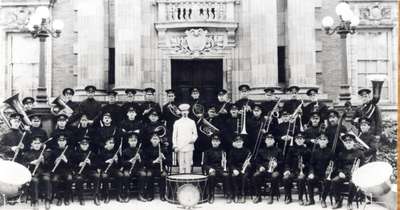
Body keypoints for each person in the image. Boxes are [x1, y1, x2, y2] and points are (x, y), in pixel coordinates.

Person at [331, 133, 365, 210]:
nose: (348, 144)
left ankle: (349, 202)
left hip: (355, 174)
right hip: (344, 174)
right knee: (334, 181)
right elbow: (338, 166)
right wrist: (340, 172)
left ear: (353, 142)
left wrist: (357, 174)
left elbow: (363, 166)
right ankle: (338, 201)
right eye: (346, 142)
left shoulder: (360, 153)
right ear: (344, 143)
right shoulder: (341, 153)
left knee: (352, 183)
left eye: (350, 142)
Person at [21, 135, 52, 210]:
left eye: (38, 143)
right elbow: (23, 165)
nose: (37, 145)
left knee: (47, 179)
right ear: (31, 144)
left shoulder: (46, 153)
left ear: (41, 144)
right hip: (33, 173)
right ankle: (35, 201)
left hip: (44, 172)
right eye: (35, 143)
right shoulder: (27, 154)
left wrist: (43, 161)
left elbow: (50, 166)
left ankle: (47, 200)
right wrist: (31, 163)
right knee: (34, 181)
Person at [251, 133, 283, 204]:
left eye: (271, 139)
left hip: (275, 170)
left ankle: (271, 196)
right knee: (255, 175)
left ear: (274, 141)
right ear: (265, 141)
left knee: (274, 176)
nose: (269, 141)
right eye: (268, 139)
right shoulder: (261, 150)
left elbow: (282, 162)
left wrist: (277, 164)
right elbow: (257, 162)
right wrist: (260, 167)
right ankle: (258, 196)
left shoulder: (279, 150)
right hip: (264, 170)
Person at [282, 132, 311, 205]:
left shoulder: (307, 150)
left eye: (301, 139)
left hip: (303, 171)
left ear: (304, 140)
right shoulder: (291, 149)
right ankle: (289, 197)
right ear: (295, 140)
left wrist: (305, 165)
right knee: (286, 178)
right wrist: (287, 170)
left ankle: (300, 198)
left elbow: (310, 163)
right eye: (297, 139)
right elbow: (287, 162)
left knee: (301, 179)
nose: (299, 140)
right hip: (293, 171)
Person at [71, 136, 101, 206]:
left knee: (96, 176)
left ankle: (96, 196)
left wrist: (90, 163)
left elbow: (96, 165)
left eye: (86, 144)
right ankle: (81, 197)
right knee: (79, 179)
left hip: (90, 171)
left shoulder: (92, 153)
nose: (84, 146)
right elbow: (71, 166)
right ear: (80, 145)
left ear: (88, 145)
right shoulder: (75, 154)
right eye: (83, 144)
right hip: (80, 172)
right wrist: (79, 165)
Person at [202, 135, 230, 203]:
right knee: (212, 175)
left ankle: (227, 194)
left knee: (226, 175)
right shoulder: (207, 152)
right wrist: (209, 169)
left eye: (217, 141)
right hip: (211, 169)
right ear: (211, 142)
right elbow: (204, 164)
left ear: (219, 142)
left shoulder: (223, 152)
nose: (215, 143)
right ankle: (211, 195)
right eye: (214, 141)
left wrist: (225, 166)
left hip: (220, 169)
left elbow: (225, 164)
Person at [307, 133, 333, 207]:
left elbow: (333, 164)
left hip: (326, 174)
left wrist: (329, 172)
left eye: (324, 140)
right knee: (309, 179)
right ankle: (311, 199)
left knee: (328, 181)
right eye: (320, 140)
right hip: (317, 174)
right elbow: (311, 164)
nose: (322, 141)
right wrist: (311, 173)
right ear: (318, 141)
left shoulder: (331, 152)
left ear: (327, 141)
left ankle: (323, 200)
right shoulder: (315, 152)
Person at [141, 134, 169, 201]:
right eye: (154, 139)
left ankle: (162, 195)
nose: (155, 141)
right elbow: (145, 162)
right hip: (151, 167)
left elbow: (169, 162)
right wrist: (154, 161)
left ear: (159, 140)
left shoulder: (163, 149)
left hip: (160, 168)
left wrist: (164, 158)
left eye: (156, 139)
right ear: (151, 140)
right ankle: (150, 195)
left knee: (163, 175)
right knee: (149, 175)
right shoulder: (147, 149)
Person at [172, 103, 198, 173]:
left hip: (189, 146)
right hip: (180, 146)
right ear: (181, 112)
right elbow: (174, 135)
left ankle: (188, 180)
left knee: (188, 164)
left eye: (186, 111)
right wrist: (175, 145)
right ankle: (181, 181)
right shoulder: (177, 122)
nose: (184, 113)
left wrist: (193, 140)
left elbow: (195, 134)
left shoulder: (192, 122)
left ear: (188, 112)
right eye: (183, 111)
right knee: (181, 165)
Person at [98, 137, 124, 203]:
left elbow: (120, 165)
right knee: (105, 177)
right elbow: (98, 164)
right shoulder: (101, 152)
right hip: (105, 170)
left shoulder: (116, 152)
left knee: (120, 175)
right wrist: (106, 162)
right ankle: (106, 195)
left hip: (114, 169)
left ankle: (118, 195)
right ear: (106, 144)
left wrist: (117, 160)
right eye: (110, 143)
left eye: (113, 143)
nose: (112, 144)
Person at [49, 134, 73, 206]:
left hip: (67, 170)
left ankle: (66, 198)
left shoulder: (69, 151)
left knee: (69, 178)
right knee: (54, 180)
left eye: (63, 141)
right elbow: (49, 164)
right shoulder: (53, 151)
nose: (62, 142)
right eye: (60, 141)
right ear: (58, 142)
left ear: (66, 142)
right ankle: (59, 198)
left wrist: (66, 160)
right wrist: (55, 161)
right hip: (57, 171)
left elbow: (72, 165)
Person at [121, 133, 145, 202]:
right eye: (131, 140)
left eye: (134, 140)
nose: (133, 142)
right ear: (128, 141)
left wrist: (139, 159)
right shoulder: (125, 151)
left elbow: (143, 164)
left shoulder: (140, 151)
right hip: (128, 169)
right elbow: (122, 163)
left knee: (143, 174)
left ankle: (140, 194)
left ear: (137, 141)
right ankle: (127, 194)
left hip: (138, 169)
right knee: (126, 175)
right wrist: (130, 161)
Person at [227, 135, 251, 203]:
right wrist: (234, 169)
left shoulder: (247, 150)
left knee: (244, 176)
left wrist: (248, 164)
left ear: (242, 142)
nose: (238, 143)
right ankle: (236, 194)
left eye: (240, 142)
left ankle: (243, 194)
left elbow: (250, 162)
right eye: (237, 142)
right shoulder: (232, 151)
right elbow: (230, 163)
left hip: (244, 168)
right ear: (235, 143)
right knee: (233, 176)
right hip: (236, 168)